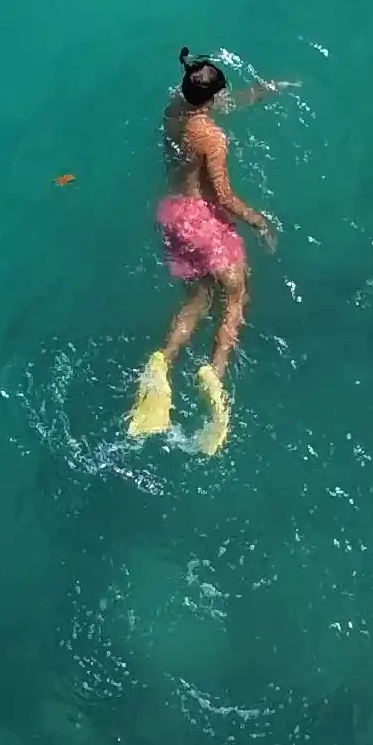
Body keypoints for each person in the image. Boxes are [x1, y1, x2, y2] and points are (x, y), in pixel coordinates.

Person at [128, 49, 289, 452]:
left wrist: (262, 92)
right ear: (213, 98)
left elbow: (216, 105)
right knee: (235, 294)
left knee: (198, 299)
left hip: (171, 213)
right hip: (200, 221)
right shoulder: (212, 138)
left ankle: (162, 362)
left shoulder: (173, 107)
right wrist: (260, 222)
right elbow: (224, 196)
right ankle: (214, 374)